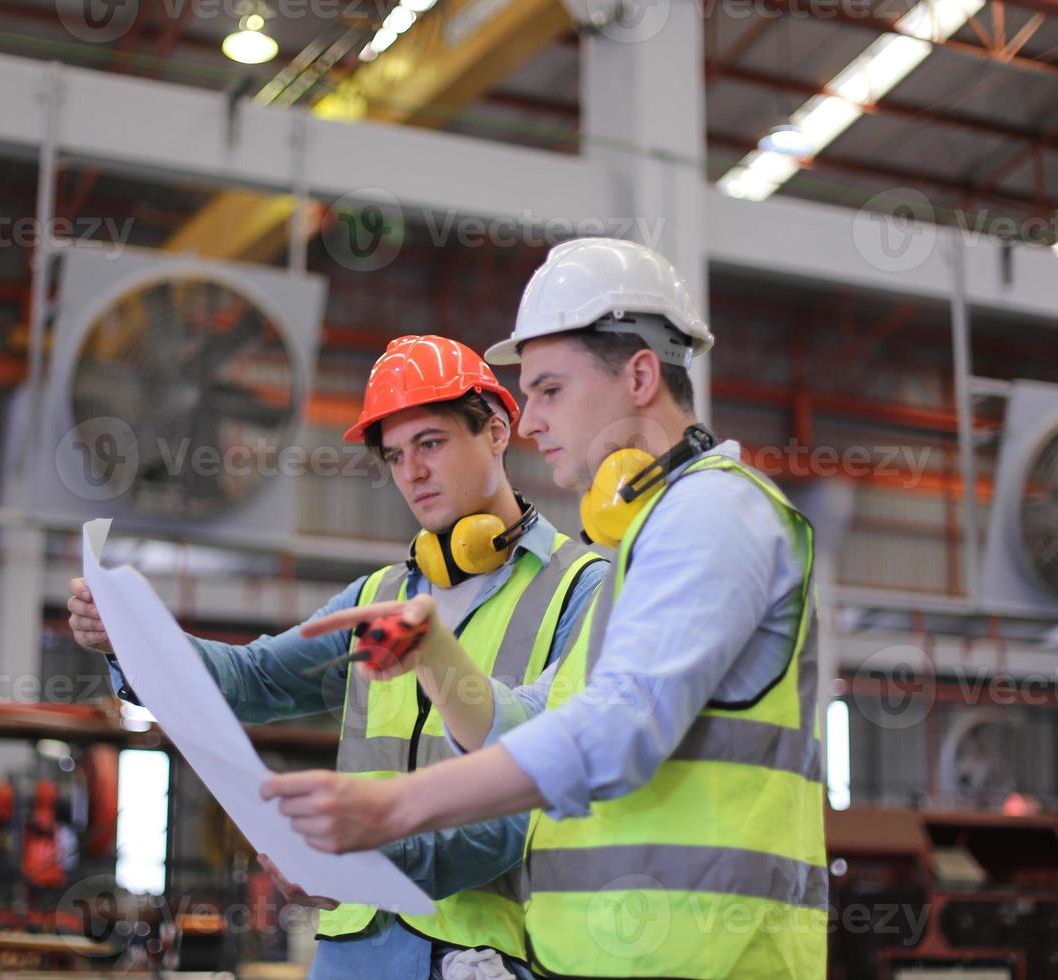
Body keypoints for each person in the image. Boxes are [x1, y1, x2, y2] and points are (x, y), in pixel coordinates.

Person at [262, 239, 828, 978]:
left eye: (549, 390)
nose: (527, 422)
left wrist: (394, 809)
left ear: (641, 376)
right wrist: (435, 653)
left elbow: (615, 729)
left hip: (711, 961)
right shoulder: (639, 554)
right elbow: (531, 723)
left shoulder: (715, 513)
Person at [68, 335, 606, 980]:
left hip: (484, 948)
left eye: (430, 443)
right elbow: (256, 678)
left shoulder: (583, 588)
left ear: (495, 431)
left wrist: (362, 856)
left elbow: (544, 790)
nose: (412, 473)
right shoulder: (380, 598)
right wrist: (135, 636)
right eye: (395, 455)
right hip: (354, 944)